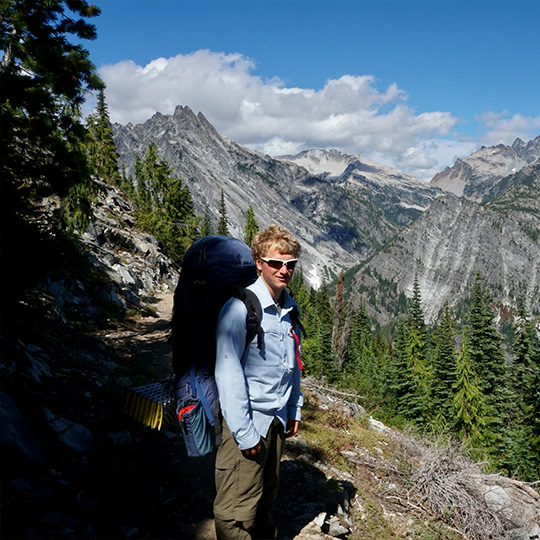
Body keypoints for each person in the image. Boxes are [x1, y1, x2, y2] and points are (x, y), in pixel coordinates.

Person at [213, 224, 304, 540]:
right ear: (258, 262)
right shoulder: (240, 309)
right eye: (276, 262)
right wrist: (243, 432)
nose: (284, 270)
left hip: (276, 422)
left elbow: (293, 365)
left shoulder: (288, 309)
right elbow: (228, 374)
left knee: (265, 498)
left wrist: (294, 409)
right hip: (249, 422)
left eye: (290, 264)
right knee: (235, 513)